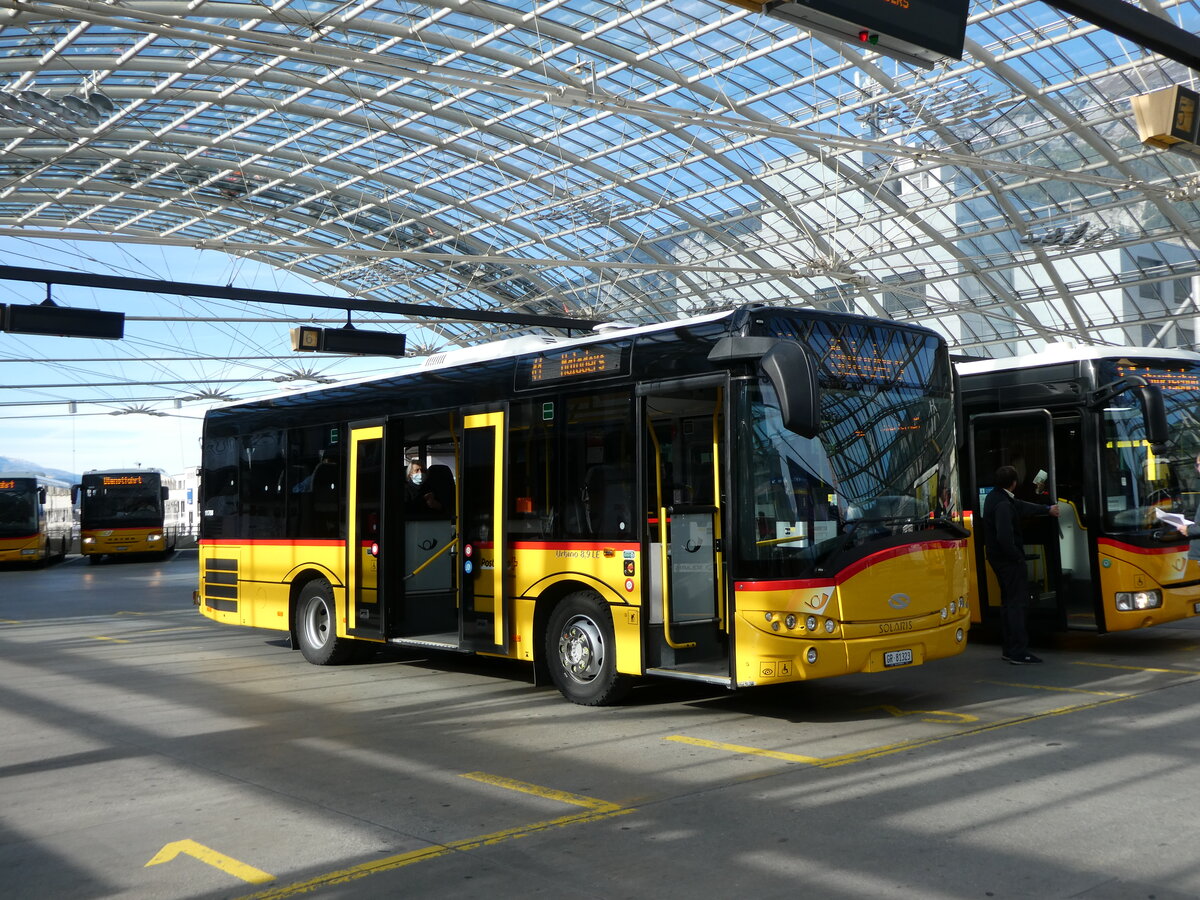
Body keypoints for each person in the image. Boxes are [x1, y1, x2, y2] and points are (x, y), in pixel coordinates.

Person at [982, 464, 1060, 664]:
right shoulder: (1003, 505)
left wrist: (1046, 509)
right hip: (1008, 561)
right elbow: (1005, 536)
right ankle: (1018, 651)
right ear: (1014, 483)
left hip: (999, 559)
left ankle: (1009, 649)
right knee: (1017, 604)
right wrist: (1017, 557)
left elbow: (1021, 506)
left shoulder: (996, 497)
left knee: (1008, 604)